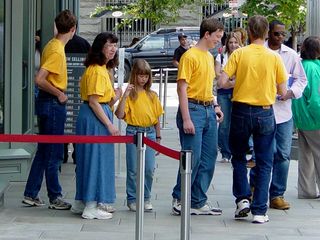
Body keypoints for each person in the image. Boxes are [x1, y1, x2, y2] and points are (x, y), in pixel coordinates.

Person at [218, 15, 288, 224]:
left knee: (239, 156)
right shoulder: (274, 57)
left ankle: (242, 199)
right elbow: (283, 91)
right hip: (265, 111)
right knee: (265, 161)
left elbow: (222, 81)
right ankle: (260, 210)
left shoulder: (239, 54)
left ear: (249, 32)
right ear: (266, 33)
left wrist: (237, 83)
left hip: (240, 110)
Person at [22, 10, 77, 210]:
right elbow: (39, 79)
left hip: (47, 102)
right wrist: (59, 94)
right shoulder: (56, 50)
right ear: (73, 29)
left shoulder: (52, 45)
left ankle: (31, 193)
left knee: (44, 150)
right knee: (53, 152)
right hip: (53, 102)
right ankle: (55, 196)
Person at [250, 20, 307, 210]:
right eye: (276, 34)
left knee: (283, 154)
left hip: (283, 112)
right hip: (262, 109)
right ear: (268, 33)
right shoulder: (258, 52)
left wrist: (291, 92)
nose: (280, 37)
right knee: (260, 154)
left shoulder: (290, 55)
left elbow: (301, 79)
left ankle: (277, 194)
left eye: (283, 34)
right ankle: (255, 189)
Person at [171, 17, 224, 216]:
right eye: (217, 36)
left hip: (208, 109)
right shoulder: (190, 56)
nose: (219, 40)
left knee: (209, 157)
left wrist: (216, 106)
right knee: (192, 157)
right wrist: (186, 118)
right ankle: (179, 197)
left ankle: (198, 200)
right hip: (193, 109)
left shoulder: (209, 57)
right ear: (207, 34)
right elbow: (182, 88)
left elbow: (209, 86)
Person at [71, 32, 122, 220]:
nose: (113, 49)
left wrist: (115, 97)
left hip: (92, 115)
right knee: (95, 159)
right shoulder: (97, 70)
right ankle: (91, 205)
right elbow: (94, 102)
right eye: (109, 45)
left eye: (115, 45)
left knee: (87, 158)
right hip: (95, 118)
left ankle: (82, 201)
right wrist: (109, 124)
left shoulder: (97, 68)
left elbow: (100, 101)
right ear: (100, 46)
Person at [115, 59, 163, 212]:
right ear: (134, 75)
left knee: (149, 168)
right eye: (140, 76)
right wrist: (124, 95)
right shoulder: (130, 95)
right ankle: (132, 198)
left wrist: (158, 138)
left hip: (149, 132)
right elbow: (120, 114)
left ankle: (146, 197)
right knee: (133, 169)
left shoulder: (152, 95)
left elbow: (156, 119)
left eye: (146, 76)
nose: (143, 79)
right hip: (133, 131)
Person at [292, 36, 320, 199]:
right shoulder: (315, 69)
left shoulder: (301, 66)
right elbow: (315, 99)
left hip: (301, 118)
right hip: (315, 120)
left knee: (306, 156)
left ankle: (306, 190)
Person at [63, 32, 91, 164]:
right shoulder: (83, 43)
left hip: (64, 86)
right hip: (78, 84)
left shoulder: (58, 44)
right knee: (74, 120)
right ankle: (76, 154)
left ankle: (63, 153)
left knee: (66, 120)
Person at [214, 32, 242, 163]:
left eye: (235, 42)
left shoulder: (242, 55)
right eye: (231, 42)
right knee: (224, 123)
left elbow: (243, 75)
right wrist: (230, 79)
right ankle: (225, 152)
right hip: (224, 93)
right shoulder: (221, 56)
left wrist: (229, 80)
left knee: (237, 124)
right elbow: (217, 74)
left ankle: (236, 150)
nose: (233, 45)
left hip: (238, 92)